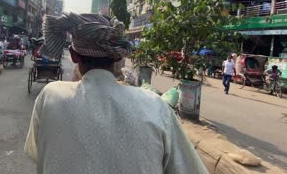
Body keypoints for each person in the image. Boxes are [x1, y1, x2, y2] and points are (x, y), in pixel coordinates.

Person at [24, 13, 207, 174]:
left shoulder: (50, 95)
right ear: (119, 56)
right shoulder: (156, 106)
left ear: (73, 55)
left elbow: (37, 154)